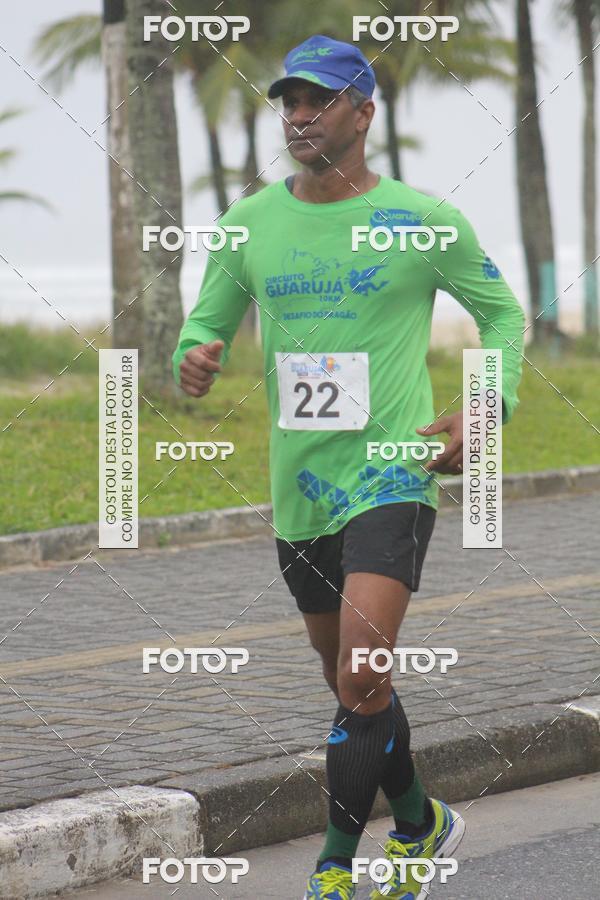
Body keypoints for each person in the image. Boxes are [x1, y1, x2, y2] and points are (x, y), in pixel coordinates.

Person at [172, 34, 524, 900]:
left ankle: (334, 865)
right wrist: (195, 354)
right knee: (354, 683)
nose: (299, 116)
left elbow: (505, 317)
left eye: (318, 100)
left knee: (363, 670)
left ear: (364, 114)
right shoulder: (248, 223)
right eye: (288, 102)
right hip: (300, 488)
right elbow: (204, 321)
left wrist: (486, 404)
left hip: (394, 471)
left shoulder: (421, 219)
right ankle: (421, 820)